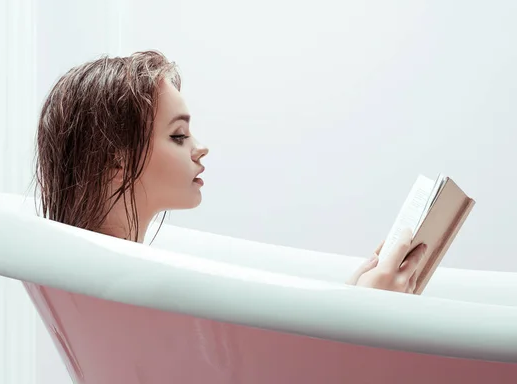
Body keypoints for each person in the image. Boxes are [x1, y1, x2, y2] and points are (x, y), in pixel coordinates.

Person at [34, 50, 427, 294]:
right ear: (117, 163)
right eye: (178, 135)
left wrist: (353, 298)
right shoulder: (132, 287)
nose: (200, 147)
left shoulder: (108, 280)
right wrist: (368, 310)